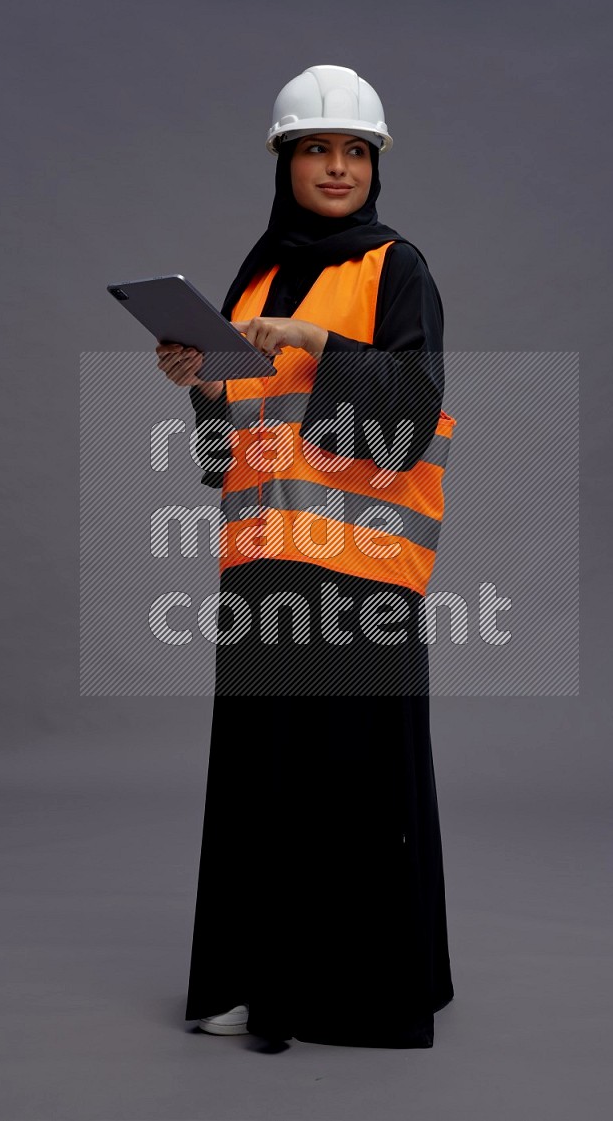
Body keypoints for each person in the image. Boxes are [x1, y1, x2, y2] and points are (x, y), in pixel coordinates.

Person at [157, 64, 456, 1049]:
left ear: (374, 167)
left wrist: (314, 337)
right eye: (317, 150)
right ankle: (256, 980)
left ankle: (355, 996)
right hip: (260, 567)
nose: (337, 167)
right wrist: (201, 388)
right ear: (285, 162)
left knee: (350, 791)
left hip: (358, 571)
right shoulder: (250, 277)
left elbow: (408, 415)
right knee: (264, 784)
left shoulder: (394, 267)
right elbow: (227, 450)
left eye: (354, 152)